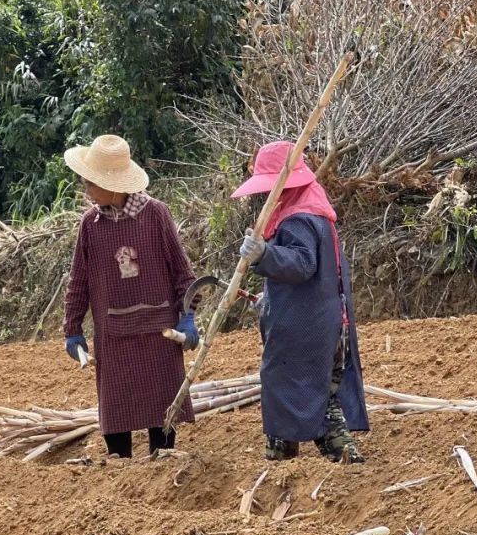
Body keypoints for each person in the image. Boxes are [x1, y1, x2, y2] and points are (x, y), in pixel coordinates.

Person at [62, 134, 200, 459]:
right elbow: (78, 283)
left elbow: (184, 275)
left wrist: (189, 317)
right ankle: (120, 492)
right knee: (117, 422)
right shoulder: (90, 225)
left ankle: (162, 483)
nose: (85, 189)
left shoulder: (156, 216)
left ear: (113, 184)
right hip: (113, 337)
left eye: (90, 182)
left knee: (162, 418)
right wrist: (72, 330)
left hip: (159, 334)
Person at [233, 141, 369, 463]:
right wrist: (269, 300)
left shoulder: (297, 218)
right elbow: (316, 276)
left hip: (303, 332)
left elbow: (302, 264)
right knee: (323, 396)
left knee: (284, 388)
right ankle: (342, 457)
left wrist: (264, 254)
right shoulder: (316, 210)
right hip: (325, 322)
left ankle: (281, 460)